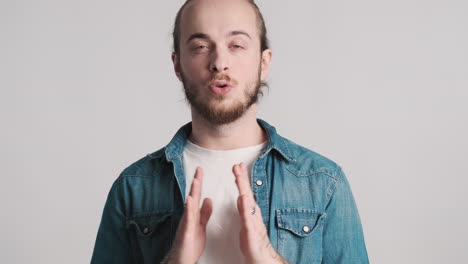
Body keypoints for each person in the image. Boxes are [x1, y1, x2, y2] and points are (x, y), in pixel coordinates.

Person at [91, 0, 369, 263]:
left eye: (236, 45)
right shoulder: (133, 187)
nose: (219, 63)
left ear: (264, 61)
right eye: (200, 46)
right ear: (177, 65)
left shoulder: (323, 183)